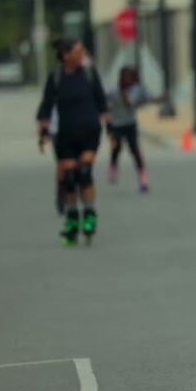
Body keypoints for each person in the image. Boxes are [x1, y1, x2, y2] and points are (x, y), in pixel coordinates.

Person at [36, 38, 111, 246]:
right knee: (69, 179)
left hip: (88, 132)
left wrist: (110, 128)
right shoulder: (56, 78)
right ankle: (71, 220)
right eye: (78, 52)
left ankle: (89, 213)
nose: (82, 55)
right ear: (66, 56)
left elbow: (101, 102)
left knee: (84, 174)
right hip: (65, 136)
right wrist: (43, 132)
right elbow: (46, 106)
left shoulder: (89, 74)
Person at [107, 66, 151, 193]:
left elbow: (136, 102)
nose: (127, 80)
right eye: (124, 77)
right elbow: (104, 103)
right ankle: (113, 166)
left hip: (130, 124)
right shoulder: (113, 91)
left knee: (135, 151)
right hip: (116, 124)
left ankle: (143, 180)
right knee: (116, 147)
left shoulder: (136, 90)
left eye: (129, 77)